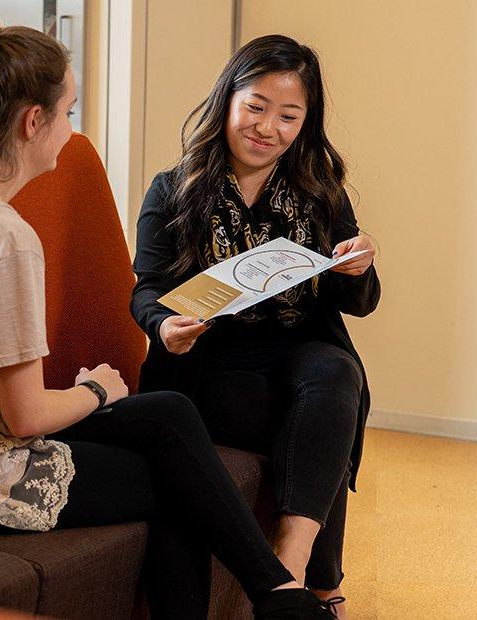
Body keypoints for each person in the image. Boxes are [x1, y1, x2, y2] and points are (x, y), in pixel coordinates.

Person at [0, 8, 337, 619]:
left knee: (171, 415)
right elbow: (24, 418)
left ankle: (276, 595)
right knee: (182, 482)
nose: (72, 132)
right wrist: (98, 391)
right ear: (31, 121)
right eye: (68, 113)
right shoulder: (0, 237)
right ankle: (281, 598)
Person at [131, 34, 381, 618]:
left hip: (295, 349)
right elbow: (146, 288)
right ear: (227, 101)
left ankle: (288, 571)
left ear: (306, 123)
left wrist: (357, 267)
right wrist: (163, 325)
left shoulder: (319, 192)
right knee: (314, 415)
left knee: (336, 372)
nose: (268, 127)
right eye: (256, 106)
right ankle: (320, 588)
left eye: (288, 116)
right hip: (210, 358)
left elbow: (358, 303)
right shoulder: (175, 189)